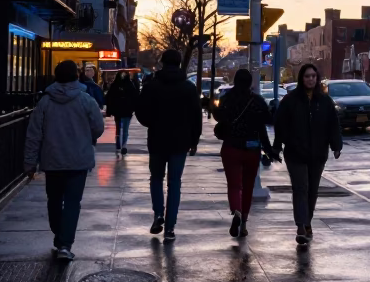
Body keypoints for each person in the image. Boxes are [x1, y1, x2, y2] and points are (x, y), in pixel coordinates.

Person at [23, 60, 106, 261]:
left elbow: (34, 134)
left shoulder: (45, 102)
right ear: (76, 76)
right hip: (78, 160)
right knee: (72, 203)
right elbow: (98, 127)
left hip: (52, 160)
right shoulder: (86, 100)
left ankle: (58, 233)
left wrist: (30, 161)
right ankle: (65, 244)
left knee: (54, 199)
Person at [135, 49, 203, 241]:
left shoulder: (152, 86)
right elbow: (196, 116)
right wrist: (194, 140)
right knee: (175, 183)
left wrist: (151, 122)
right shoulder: (188, 88)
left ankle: (158, 214)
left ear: (162, 62)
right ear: (180, 63)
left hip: (157, 139)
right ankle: (170, 227)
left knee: (156, 178)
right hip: (180, 142)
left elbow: (140, 111)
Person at [272, 63, 341, 247]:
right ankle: (301, 226)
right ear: (301, 79)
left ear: (317, 79)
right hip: (295, 153)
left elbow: (333, 125)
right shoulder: (290, 100)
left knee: (312, 191)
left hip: (318, 154)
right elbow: (280, 125)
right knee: (300, 188)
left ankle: (307, 221)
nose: (310, 79)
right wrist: (277, 146)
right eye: (307, 76)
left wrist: (336, 145)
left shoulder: (325, 101)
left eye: (313, 76)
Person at [213, 68, 274, 239]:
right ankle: (244, 223)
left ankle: (236, 212)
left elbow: (218, 117)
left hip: (231, 147)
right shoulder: (257, 101)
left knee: (234, 185)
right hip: (252, 149)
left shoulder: (226, 99)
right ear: (250, 83)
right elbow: (267, 123)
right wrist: (270, 151)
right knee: (248, 187)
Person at [105, 72, 139, 155]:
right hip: (125, 111)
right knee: (123, 128)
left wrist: (109, 110)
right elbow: (135, 98)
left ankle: (120, 144)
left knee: (120, 128)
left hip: (120, 110)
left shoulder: (115, 85)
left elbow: (109, 98)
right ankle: (122, 144)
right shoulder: (130, 85)